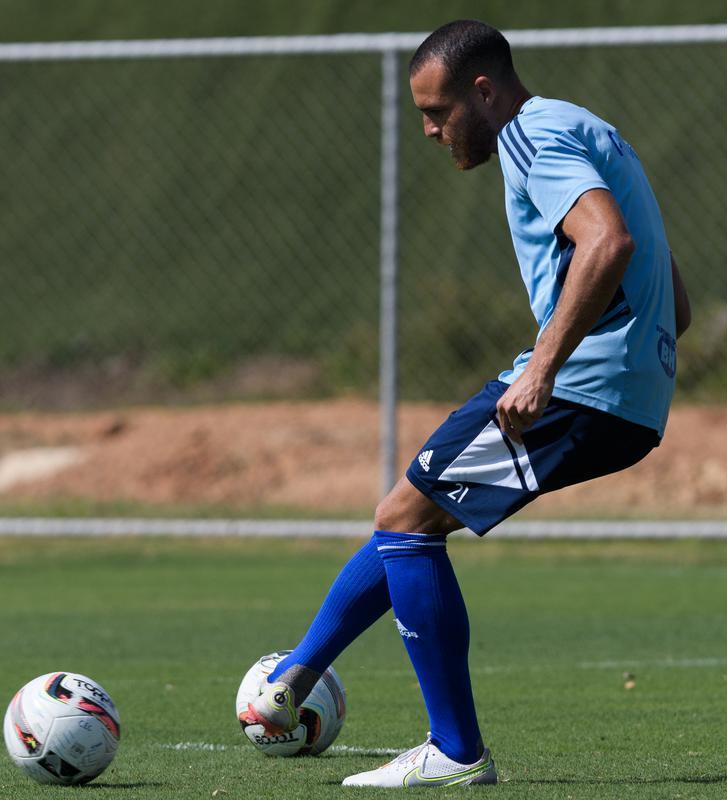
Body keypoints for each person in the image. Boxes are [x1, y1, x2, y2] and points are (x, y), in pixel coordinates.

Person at [240, 19, 691, 788]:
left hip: (580, 384)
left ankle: (453, 749)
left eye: (438, 111)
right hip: (633, 392)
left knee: (406, 521)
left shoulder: (528, 136)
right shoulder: (589, 127)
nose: (428, 129)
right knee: (409, 513)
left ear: (483, 92)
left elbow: (608, 244)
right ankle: (292, 679)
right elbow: (673, 299)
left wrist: (543, 369)